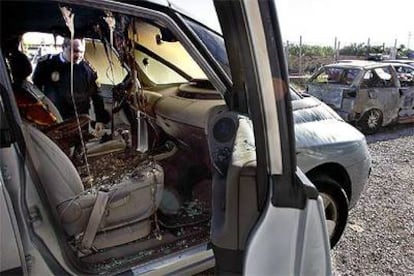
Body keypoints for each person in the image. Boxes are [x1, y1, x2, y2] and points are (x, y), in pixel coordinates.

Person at [33, 37, 110, 134]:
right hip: (55, 120)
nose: (78, 55)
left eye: (81, 52)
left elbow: (96, 95)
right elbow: (36, 91)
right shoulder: (47, 65)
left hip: (79, 122)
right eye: (75, 51)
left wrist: (100, 119)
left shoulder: (87, 70)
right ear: (63, 47)